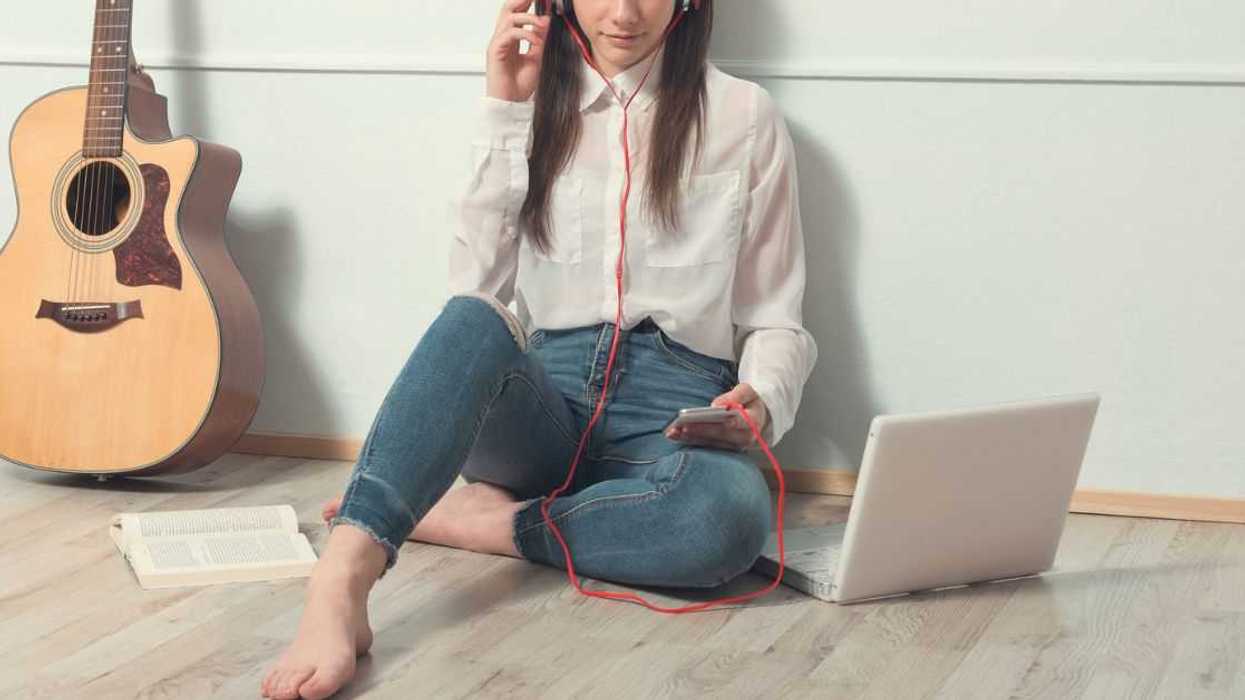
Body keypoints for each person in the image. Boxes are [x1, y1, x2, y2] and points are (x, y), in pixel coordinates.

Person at [261, 0, 816, 697]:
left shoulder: (744, 115)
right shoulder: (526, 104)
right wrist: (503, 109)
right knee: (471, 319)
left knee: (721, 523)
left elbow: (774, 315)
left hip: (674, 414)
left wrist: (760, 403)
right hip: (541, 405)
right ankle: (343, 575)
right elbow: (476, 291)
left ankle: (487, 521)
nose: (622, 12)